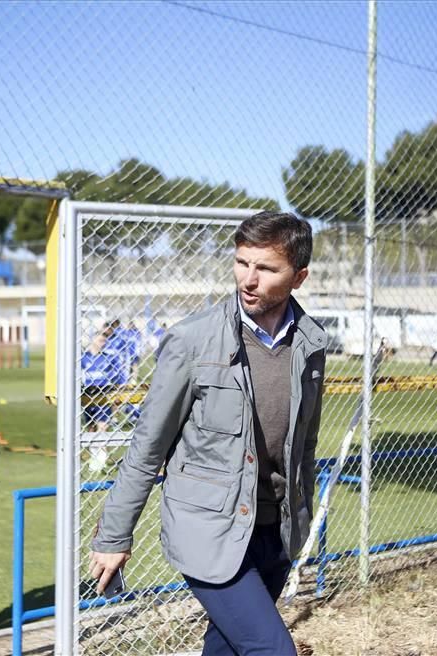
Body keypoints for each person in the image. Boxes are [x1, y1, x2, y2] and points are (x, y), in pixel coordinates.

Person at [89, 211, 327, 656]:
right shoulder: (192, 341)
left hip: (275, 530)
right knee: (273, 650)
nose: (248, 279)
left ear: (299, 277)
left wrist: (300, 512)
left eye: (266, 268)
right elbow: (147, 446)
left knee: (227, 650)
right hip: (208, 528)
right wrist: (114, 537)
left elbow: (305, 444)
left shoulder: (312, 342)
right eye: (242, 263)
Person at [81, 332, 128, 472]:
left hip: (104, 397)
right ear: (93, 340)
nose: (103, 343)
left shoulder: (108, 358)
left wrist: (117, 399)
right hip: (88, 396)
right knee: (91, 428)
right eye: (101, 340)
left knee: (102, 428)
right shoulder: (83, 358)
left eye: (104, 341)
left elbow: (118, 377)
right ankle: (95, 456)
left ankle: (101, 459)